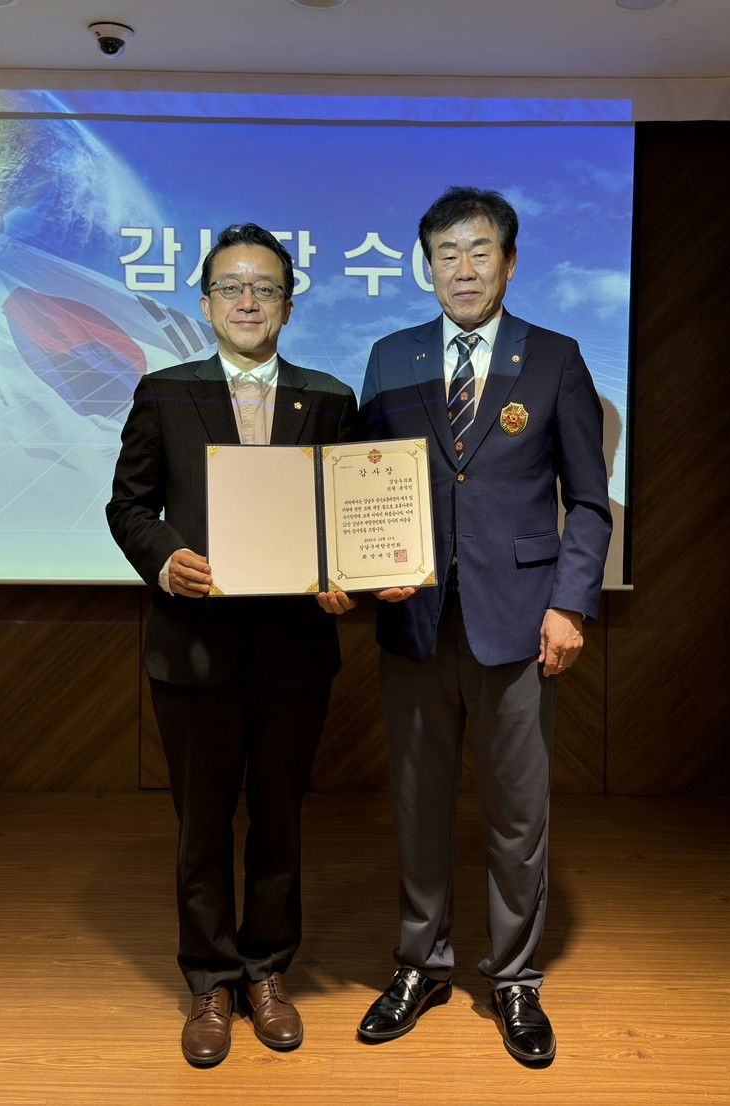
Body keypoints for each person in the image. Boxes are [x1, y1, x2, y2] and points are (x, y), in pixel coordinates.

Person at [355, 187, 612, 1063]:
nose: (461, 269)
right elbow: (361, 484)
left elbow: (589, 500)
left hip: (519, 624)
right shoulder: (390, 358)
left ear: (509, 260)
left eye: (478, 251)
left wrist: (570, 603)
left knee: (516, 815)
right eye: (444, 254)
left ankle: (513, 981)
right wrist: (355, 570)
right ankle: (420, 965)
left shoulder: (556, 359)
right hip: (412, 621)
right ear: (425, 265)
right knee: (419, 805)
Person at [107, 224, 358, 1067]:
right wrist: (163, 557)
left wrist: (343, 573)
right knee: (203, 824)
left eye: (266, 288)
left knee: (280, 820)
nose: (248, 301)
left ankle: (266, 971)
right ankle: (209, 978)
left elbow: (344, 516)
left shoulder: (328, 398)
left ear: (290, 303)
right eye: (231, 287)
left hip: (294, 650)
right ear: (205, 300)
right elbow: (129, 506)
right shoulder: (163, 391)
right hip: (194, 650)